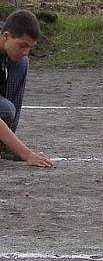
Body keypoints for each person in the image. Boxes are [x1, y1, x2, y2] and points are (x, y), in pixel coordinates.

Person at [0, 9, 53, 168]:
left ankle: (4, 146)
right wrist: (27, 154)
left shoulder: (12, 49)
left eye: (30, 47)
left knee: (22, 63)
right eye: (22, 45)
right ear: (6, 36)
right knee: (6, 110)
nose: (25, 52)